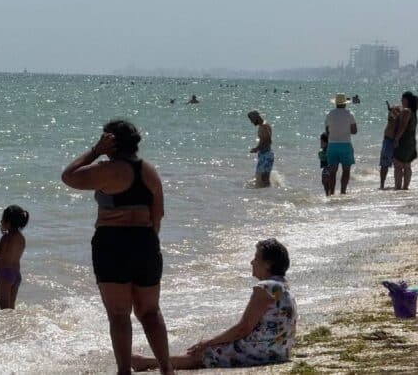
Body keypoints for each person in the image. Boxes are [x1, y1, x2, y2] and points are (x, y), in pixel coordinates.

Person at [61, 120, 174, 374]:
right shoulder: (150, 171)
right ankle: (167, 369)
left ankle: (124, 371)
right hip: (145, 242)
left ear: (111, 141)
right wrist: (147, 242)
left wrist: (95, 150)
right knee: (150, 312)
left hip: (112, 244)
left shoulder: (108, 169)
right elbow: (159, 214)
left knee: (119, 314)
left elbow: (68, 176)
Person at [130, 238, 297, 371]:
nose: (251, 262)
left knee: (203, 354)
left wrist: (208, 343)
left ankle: (146, 362)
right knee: (214, 348)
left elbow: (243, 328)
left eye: (256, 258)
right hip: (279, 351)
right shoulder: (284, 286)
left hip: (261, 353)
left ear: (268, 264)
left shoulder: (265, 288)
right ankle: (149, 362)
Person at [324, 93, 358, 194]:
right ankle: (343, 192)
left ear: (336, 104)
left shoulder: (329, 114)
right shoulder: (350, 114)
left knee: (333, 171)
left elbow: (327, 131)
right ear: (345, 104)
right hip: (345, 145)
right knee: (346, 170)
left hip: (332, 145)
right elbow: (354, 131)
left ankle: (332, 192)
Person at [393, 92, 418, 190]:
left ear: (406, 100)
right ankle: (405, 187)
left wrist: (396, 139)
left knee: (398, 166)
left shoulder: (406, 111)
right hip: (411, 141)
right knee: (407, 165)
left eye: (402, 99)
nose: (401, 100)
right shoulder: (413, 112)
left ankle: (398, 187)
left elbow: (402, 126)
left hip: (403, 141)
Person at [247, 111, 274, 188]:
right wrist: (257, 148)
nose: (251, 122)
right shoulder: (262, 126)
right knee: (259, 178)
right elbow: (263, 140)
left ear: (256, 118)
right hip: (263, 154)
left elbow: (268, 140)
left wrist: (256, 148)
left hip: (267, 155)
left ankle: (268, 195)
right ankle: (264, 195)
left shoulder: (264, 126)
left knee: (264, 178)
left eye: (252, 120)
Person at [379, 102, 402, 190]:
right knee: (384, 164)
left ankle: (398, 184)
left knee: (398, 165)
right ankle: (382, 184)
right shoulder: (392, 116)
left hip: (395, 141)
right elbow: (393, 116)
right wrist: (392, 110)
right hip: (389, 140)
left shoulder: (401, 117)